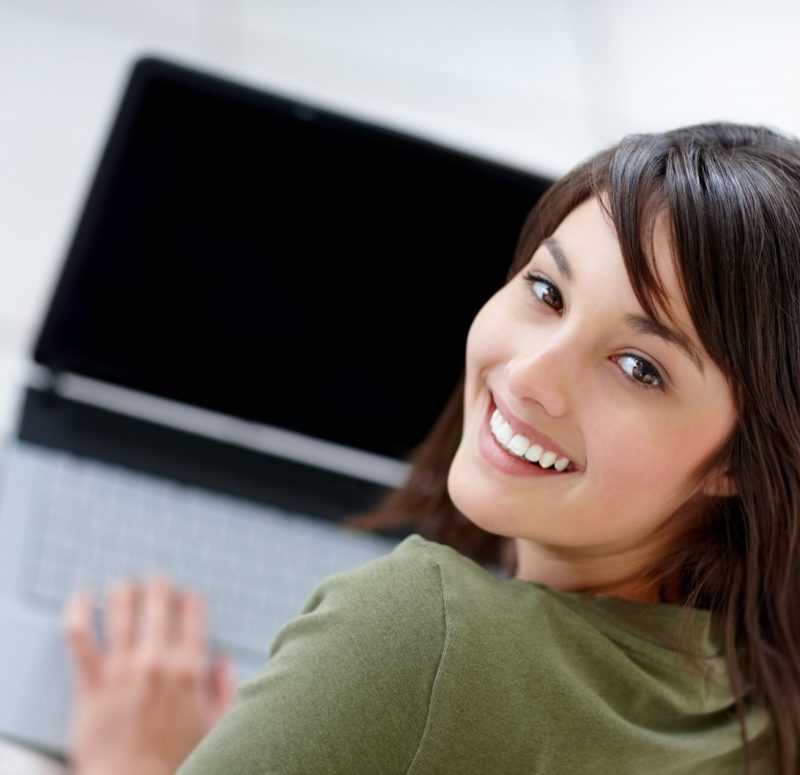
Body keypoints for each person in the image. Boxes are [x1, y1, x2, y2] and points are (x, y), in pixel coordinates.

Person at [61, 121, 800, 774]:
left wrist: (134, 759)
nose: (529, 373)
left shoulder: (417, 633)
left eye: (640, 368)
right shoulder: (770, 699)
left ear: (741, 456)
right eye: (547, 292)